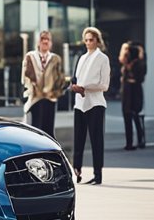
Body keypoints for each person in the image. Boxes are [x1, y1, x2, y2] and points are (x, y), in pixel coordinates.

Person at [70, 27, 111, 185]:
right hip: (79, 103)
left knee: (96, 140)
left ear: (97, 41)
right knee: (78, 140)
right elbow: (77, 79)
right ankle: (77, 171)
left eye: (91, 39)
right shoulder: (81, 58)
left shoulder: (103, 58)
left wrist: (85, 88)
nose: (88, 42)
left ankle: (97, 174)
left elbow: (104, 85)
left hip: (95, 104)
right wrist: (74, 86)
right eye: (86, 40)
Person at [21, 30, 65, 136]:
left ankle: (48, 151)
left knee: (49, 130)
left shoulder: (55, 58)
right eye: (42, 39)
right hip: (35, 98)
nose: (45, 41)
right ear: (38, 42)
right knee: (35, 128)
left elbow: (60, 78)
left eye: (48, 39)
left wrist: (55, 92)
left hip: (50, 98)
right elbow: (26, 75)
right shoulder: (30, 56)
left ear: (51, 43)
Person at [119, 41, 147, 150]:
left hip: (134, 93)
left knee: (135, 117)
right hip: (127, 93)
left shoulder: (139, 64)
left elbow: (139, 78)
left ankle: (140, 140)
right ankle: (130, 142)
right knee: (128, 118)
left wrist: (130, 79)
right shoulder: (127, 64)